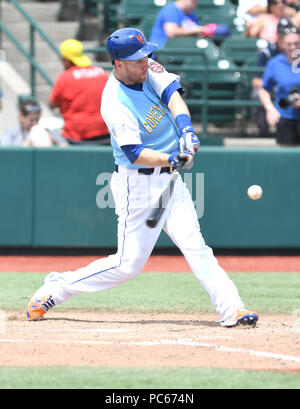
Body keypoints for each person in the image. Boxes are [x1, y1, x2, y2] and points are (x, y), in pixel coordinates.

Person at [27, 27, 259, 328]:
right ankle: (57, 287)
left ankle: (233, 309)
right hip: (136, 183)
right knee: (127, 266)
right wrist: (173, 158)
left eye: (145, 55)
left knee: (195, 245)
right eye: (137, 59)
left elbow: (173, 96)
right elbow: (135, 152)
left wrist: (187, 131)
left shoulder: (147, 68)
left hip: (169, 183)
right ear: (118, 64)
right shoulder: (114, 101)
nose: (145, 62)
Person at [49, 39, 110, 145]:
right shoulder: (101, 72)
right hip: (106, 132)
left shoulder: (65, 77)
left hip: (78, 136)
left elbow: (52, 104)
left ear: (66, 60)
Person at [251, 18, 294, 137]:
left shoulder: (296, 52)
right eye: (282, 34)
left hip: (293, 91)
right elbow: (256, 81)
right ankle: (263, 131)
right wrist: (277, 86)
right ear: (277, 35)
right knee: (257, 94)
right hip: (272, 89)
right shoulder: (267, 53)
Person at [259, 28, 300, 145]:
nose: (293, 47)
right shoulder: (275, 63)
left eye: (296, 43)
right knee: (287, 157)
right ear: (282, 44)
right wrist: (270, 108)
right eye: (289, 44)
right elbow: (264, 89)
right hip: (286, 116)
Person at [149, 0, 230, 50]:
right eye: (193, 1)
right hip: (163, 53)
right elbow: (172, 32)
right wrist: (200, 29)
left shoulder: (190, 15)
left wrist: (208, 31)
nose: (195, 5)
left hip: (182, 51)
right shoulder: (171, 9)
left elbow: (198, 33)